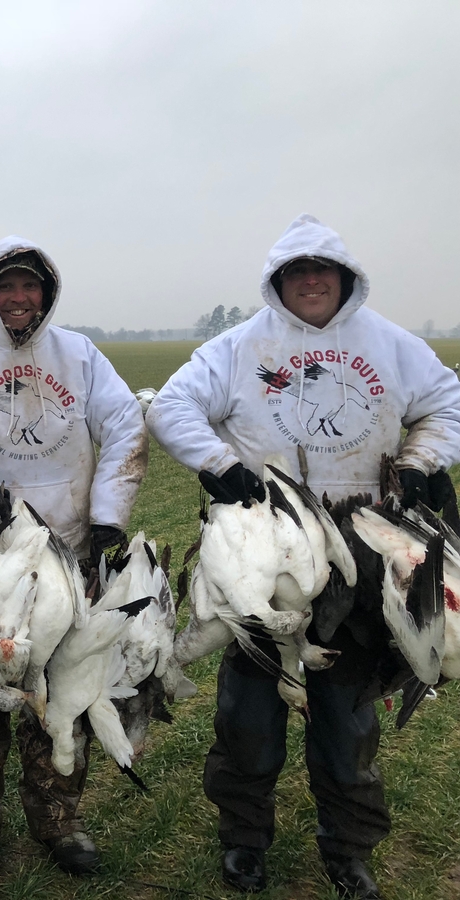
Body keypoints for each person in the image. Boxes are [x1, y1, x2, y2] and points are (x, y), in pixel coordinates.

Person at [147, 214, 460, 899]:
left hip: (364, 549)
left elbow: (448, 404)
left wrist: (422, 459)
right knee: (248, 715)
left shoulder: (392, 346)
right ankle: (243, 841)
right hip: (265, 551)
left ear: (347, 280)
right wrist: (220, 466)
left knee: (348, 723)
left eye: (324, 270)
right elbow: (172, 407)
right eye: (297, 271)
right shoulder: (236, 349)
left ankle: (348, 850)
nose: (311, 281)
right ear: (277, 282)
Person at [0, 235, 148, 881]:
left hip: (67, 547)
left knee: (63, 686)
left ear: (46, 291)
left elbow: (125, 425)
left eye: (29, 286)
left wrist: (107, 518)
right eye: (6, 286)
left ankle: (59, 820)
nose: (18, 298)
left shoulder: (80, 356)